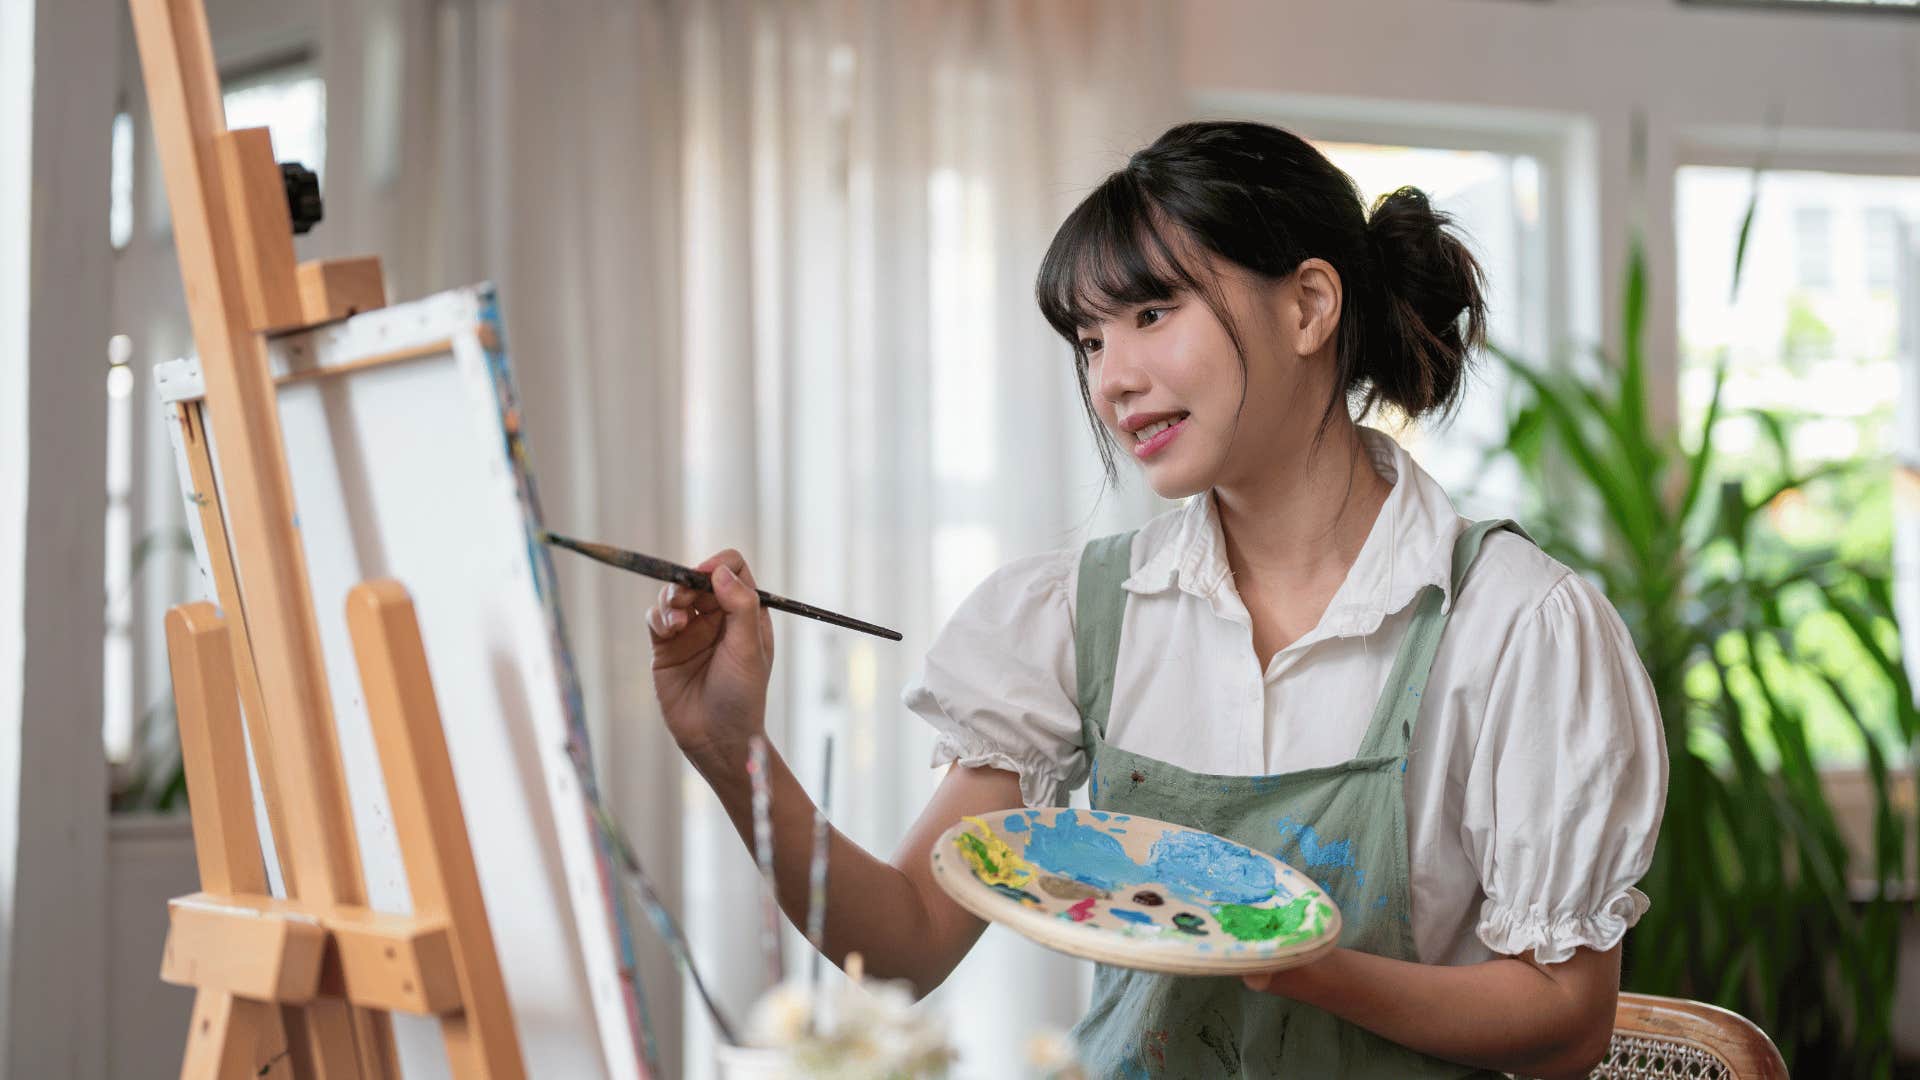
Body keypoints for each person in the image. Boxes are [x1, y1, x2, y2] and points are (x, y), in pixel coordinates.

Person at [646, 119, 1667, 1079]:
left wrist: (1306, 965)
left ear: (1309, 306)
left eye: (1150, 313)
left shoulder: (1516, 626)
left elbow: (1568, 1020)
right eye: (1090, 340)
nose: (1113, 379)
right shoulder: (1080, 616)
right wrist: (732, 749)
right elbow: (906, 939)